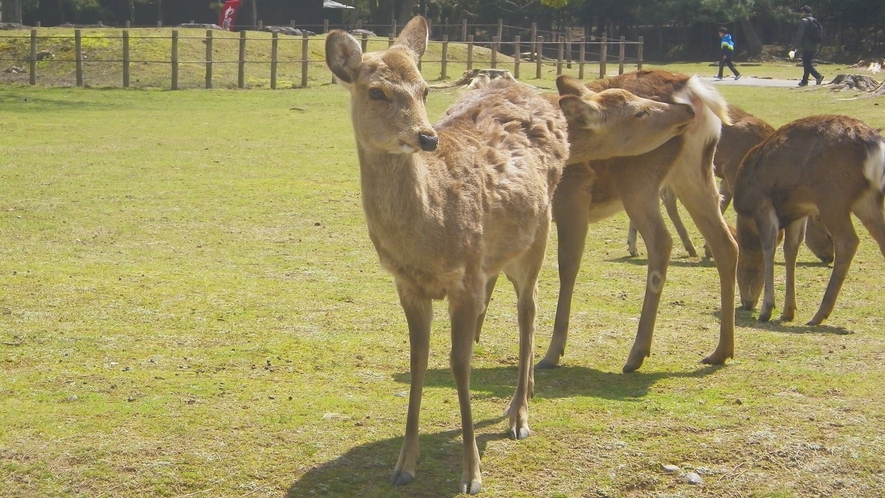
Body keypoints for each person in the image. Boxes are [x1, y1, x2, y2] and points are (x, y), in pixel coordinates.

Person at [793, 5, 824, 86]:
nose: (801, 14)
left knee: (806, 63)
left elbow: (800, 34)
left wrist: (796, 45)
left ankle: (818, 76)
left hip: (807, 45)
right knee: (807, 63)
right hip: (815, 45)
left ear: (804, 12)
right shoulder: (815, 20)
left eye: (801, 12)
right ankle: (804, 81)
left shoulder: (804, 21)